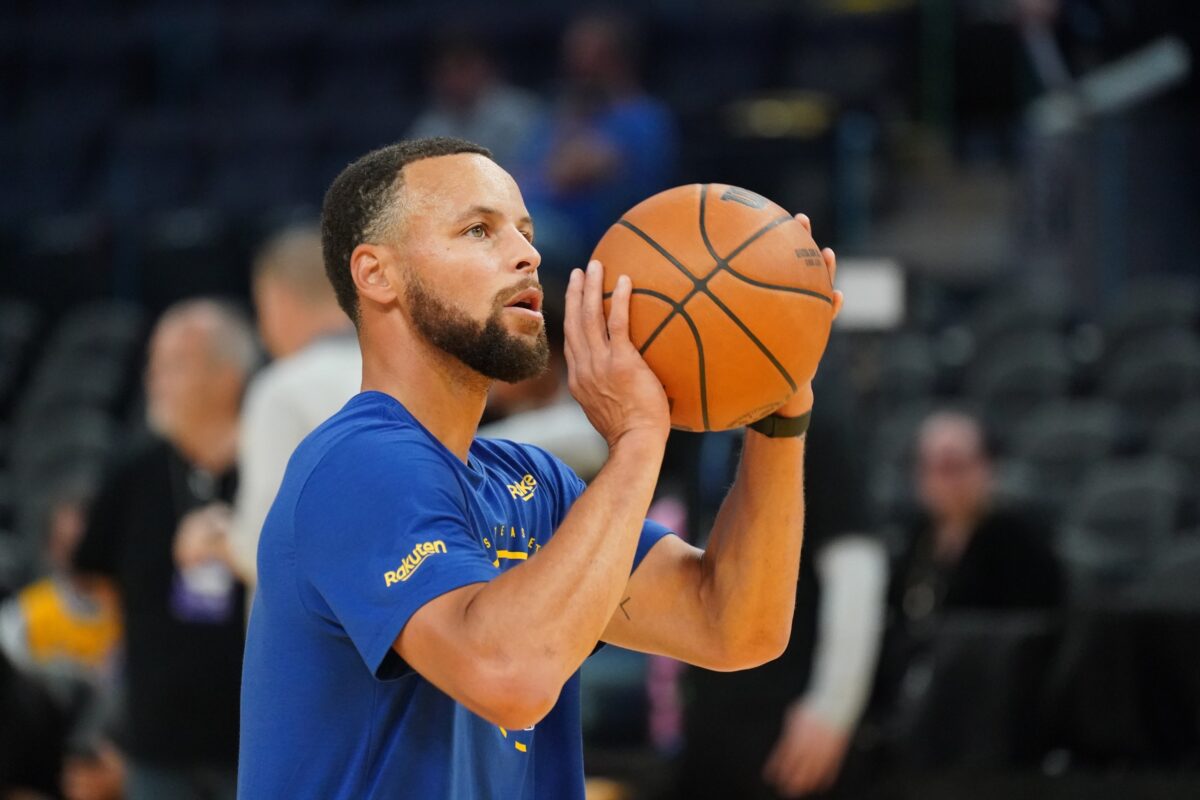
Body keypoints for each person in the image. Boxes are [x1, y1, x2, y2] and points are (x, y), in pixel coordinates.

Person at [238, 136, 844, 799]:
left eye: (526, 232)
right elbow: (509, 676)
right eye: (479, 230)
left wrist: (781, 408)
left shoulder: (532, 482)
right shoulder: (357, 462)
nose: (527, 254)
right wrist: (641, 438)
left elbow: (735, 626)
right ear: (375, 274)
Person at [675, 352, 888, 800]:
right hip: (710, 697)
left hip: (783, 708)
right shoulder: (697, 404)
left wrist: (832, 707)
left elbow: (857, 564)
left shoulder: (815, 406)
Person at [73, 300, 258, 800]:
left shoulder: (274, 465)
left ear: (228, 377)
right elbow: (92, 575)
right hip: (156, 746)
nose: (153, 376)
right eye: (154, 361)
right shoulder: (133, 474)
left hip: (256, 742)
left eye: (174, 363)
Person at [172, 225, 361, 590]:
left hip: (315, 633)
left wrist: (215, 543)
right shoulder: (405, 376)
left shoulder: (282, 389)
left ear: (278, 300)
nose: (263, 331)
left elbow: (266, 549)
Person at [891, 410, 1064, 616]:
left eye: (954, 466)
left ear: (985, 467)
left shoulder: (1017, 540)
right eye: (934, 468)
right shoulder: (917, 537)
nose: (947, 482)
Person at [408, 34, 543, 169]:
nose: (455, 78)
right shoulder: (430, 125)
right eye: (447, 70)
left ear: (487, 67)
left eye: (463, 67)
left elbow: (537, 172)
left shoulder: (522, 112)